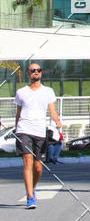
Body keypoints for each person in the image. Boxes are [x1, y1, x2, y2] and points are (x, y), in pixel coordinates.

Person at [14, 62, 61, 208]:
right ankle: (30, 198)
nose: (36, 72)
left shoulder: (48, 91)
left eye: (38, 70)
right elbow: (18, 113)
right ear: (28, 74)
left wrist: (57, 120)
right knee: (27, 162)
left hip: (40, 131)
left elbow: (52, 110)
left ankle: (32, 188)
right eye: (32, 70)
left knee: (38, 167)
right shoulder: (21, 92)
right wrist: (16, 129)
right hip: (24, 130)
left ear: (41, 73)